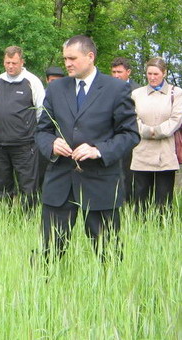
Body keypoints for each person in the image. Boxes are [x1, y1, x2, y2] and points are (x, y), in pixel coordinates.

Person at [36, 35, 139, 260]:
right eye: (65, 59)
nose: (67, 64)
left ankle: (110, 293)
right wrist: (52, 144)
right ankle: (42, 290)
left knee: (108, 254)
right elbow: (42, 131)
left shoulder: (117, 89)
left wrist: (99, 150)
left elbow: (130, 134)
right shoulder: (55, 89)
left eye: (72, 58)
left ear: (90, 56)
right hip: (60, 183)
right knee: (49, 251)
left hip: (100, 183)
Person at [0, 46, 45, 214]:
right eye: (7, 62)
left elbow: (41, 111)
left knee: (27, 183)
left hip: (25, 144)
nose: (11, 66)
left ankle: (28, 216)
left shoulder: (32, 81)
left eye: (14, 62)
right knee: (0, 183)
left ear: (22, 62)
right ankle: (3, 215)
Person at [130, 57, 182, 217]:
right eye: (149, 73)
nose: (152, 77)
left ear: (164, 73)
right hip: (142, 153)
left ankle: (162, 232)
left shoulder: (177, 93)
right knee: (140, 199)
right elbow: (133, 119)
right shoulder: (136, 94)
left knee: (164, 202)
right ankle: (140, 232)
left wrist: (155, 131)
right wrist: (146, 131)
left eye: (156, 74)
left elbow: (176, 119)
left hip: (165, 153)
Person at [111, 57, 141, 201]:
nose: (116, 75)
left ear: (128, 72)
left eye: (119, 72)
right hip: (112, 137)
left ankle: (129, 202)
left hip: (131, 136)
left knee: (129, 173)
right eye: (114, 72)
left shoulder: (138, 91)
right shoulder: (108, 88)